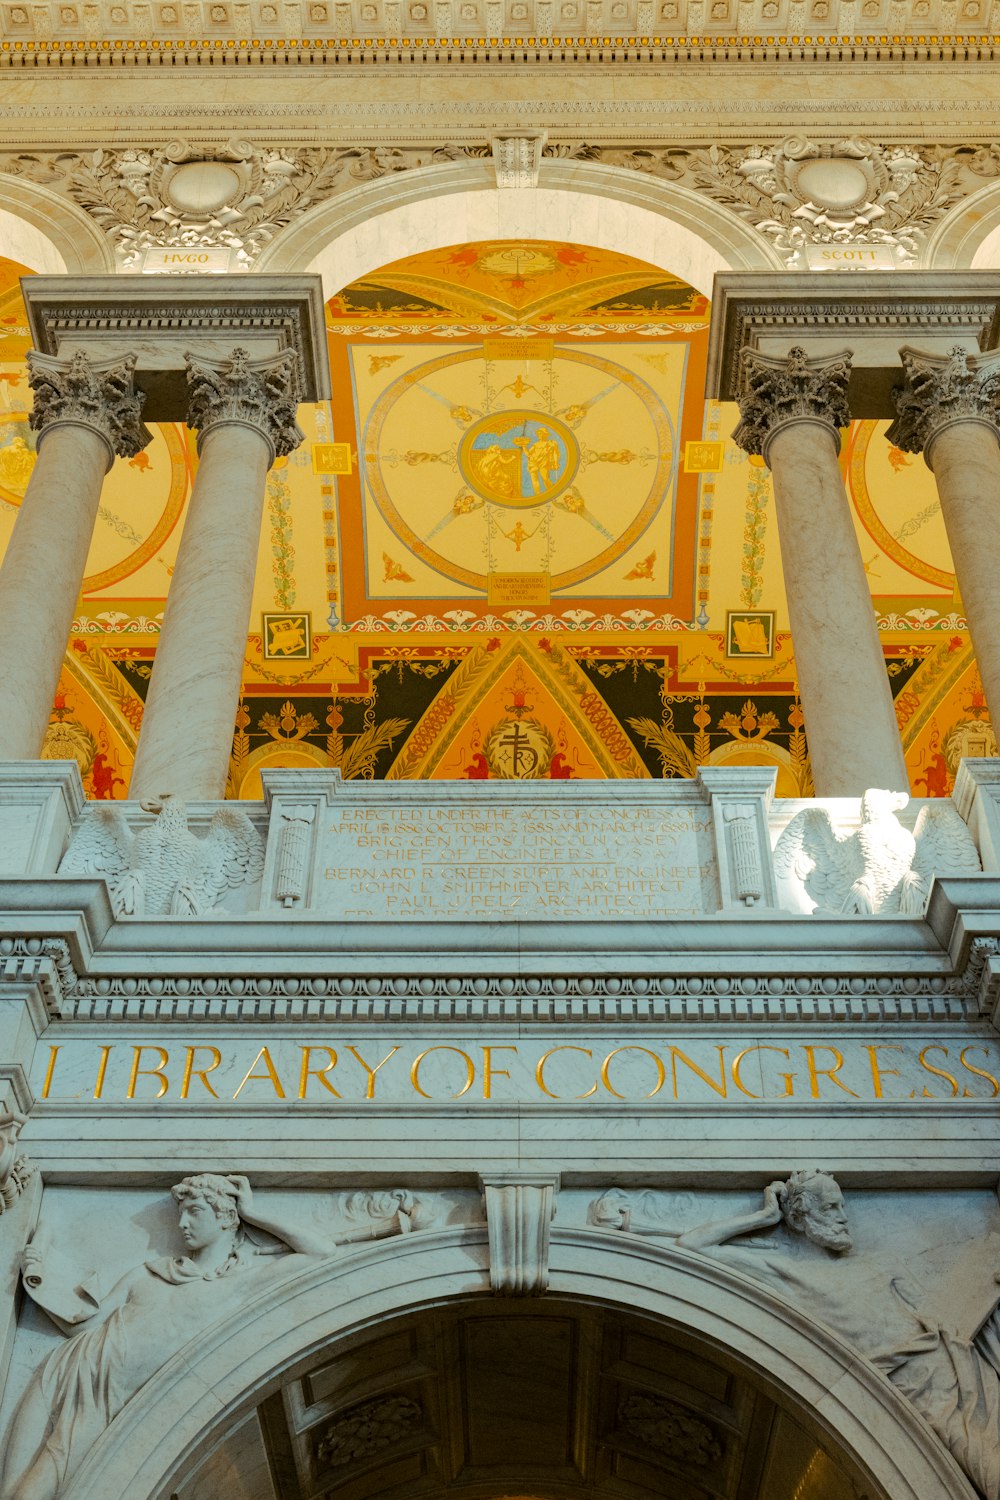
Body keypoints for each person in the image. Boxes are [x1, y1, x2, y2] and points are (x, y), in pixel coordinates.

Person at [1, 1173, 340, 1500]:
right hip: (69, 1373)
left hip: (107, 1405)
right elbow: (84, 1325)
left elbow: (319, 1252)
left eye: (195, 1212)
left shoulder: (234, 1287)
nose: (182, 1224)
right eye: (181, 1214)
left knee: (30, 1494)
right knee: (8, 1486)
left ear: (225, 1217)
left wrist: (253, 1212)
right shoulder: (148, 1274)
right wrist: (39, 1276)